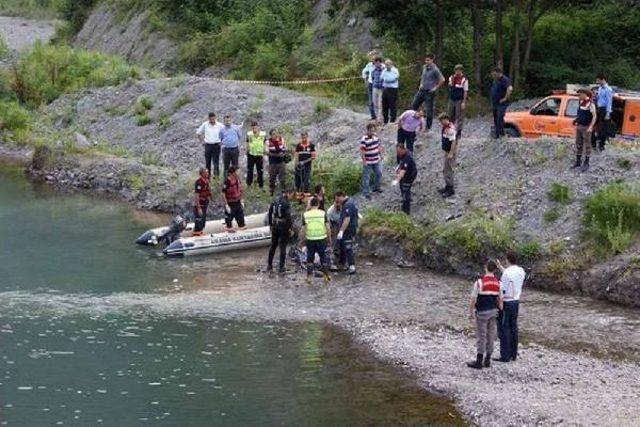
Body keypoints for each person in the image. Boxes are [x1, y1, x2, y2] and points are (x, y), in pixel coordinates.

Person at [467, 260, 503, 369]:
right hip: (493, 312)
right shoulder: (499, 283)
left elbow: (473, 299)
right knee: (491, 335)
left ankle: (479, 360)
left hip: (482, 312)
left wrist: (470, 313)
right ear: (495, 270)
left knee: (481, 336)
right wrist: (501, 311)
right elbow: (500, 302)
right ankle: (487, 360)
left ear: (485, 267)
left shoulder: (479, 282)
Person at [495, 251, 526, 363]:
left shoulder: (506, 273)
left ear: (507, 259)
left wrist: (499, 302)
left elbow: (503, 289)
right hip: (516, 302)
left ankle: (505, 356)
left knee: (504, 328)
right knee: (514, 327)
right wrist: (501, 268)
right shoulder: (521, 271)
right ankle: (513, 354)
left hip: (506, 302)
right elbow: (511, 279)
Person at [411, 54, 445, 131]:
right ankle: (414, 122)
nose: (427, 62)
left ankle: (428, 128)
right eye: (426, 60)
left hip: (429, 92)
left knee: (429, 110)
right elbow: (423, 77)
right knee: (414, 105)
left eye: (428, 60)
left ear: (432, 60)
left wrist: (435, 88)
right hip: (421, 90)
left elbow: (442, 79)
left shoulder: (435, 69)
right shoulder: (424, 67)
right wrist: (421, 84)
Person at [302, 197, 331, 284]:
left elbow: (303, 229)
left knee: (310, 258)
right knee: (323, 257)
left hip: (310, 239)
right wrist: (329, 238)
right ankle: (326, 276)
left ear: (310, 205)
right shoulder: (323, 213)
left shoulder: (305, 215)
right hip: (322, 238)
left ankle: (309, 277)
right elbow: (328, 227)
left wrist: (302, 240)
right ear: (318, 204)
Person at [267, 188, 295, 274]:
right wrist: (290, 228)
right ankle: (281, 267)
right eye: (292, 195)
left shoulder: (275, 199)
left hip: (275, 224)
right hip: (283, 226)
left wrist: (270, 224)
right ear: (288, 193)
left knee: (273, 245)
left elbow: (270, 212)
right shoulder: (286, 203)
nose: (291, 197)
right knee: (283, 246)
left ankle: (269, 265)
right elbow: (288, 217)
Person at [572, 89, 597, 172]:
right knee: (578, 143)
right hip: (579, 126)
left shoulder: (590, 104)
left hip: (586, 127)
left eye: (580, 95)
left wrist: (591, 126)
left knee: (587, 144)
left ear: (584, 94)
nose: (578, 96)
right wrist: (576, 120)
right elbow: (580, 114)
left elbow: (594, 116)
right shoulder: (581, 103)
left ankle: (586, 162)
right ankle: (578, 161)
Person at [334, 191, 358, 274]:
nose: (338, 202)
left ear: (341, 196)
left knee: (348, 247)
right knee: (342, 246)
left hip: (348, 230)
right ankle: (342, 264)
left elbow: (347, 219)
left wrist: (341, 231)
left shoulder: (348, 204)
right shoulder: (348, 202)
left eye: (338, 200)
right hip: (348, 229)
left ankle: (352, 266)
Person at [360, 122, 384, 199]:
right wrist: (364, 161)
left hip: (376, 160)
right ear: (368, 130)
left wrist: (381, 154)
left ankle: (376, 187)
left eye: (373, 130)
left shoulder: (376, 137)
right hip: (368, 161)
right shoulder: (364, 139)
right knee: (366, 177)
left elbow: (378, 146)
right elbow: (362, 151)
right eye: (371, 131)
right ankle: (366, 193)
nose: (372, 132)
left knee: (379, 173)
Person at [196, 112, 223, 178]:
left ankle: (216, 178)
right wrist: (202, 142)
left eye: (213, 119)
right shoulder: (205, 124)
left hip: (217, 146)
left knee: (216, 163)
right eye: (211, 119)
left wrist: (222, 142)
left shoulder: (220, 125)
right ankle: (207, 178)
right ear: (209, 119)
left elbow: (225, 132)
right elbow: (198, 133)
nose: (212, 121)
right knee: (208, 163)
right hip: (208, 145)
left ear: (215, 118)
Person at [438, 113, 458, 198]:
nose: (441, 123)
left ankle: (451, 188)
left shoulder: (451, 129)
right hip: (446, 151)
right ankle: (447, 186)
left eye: (442, 121)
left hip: (450, 152)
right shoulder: (445, 127)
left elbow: (453, 142)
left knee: (449, 170)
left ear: (446, 119)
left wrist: (451, 153)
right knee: (445, 170)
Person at [394, 143, 417, 215]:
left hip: (409, 175)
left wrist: (396, 180)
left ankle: (406, 210)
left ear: (403, 149)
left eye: (399, 152)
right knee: (403, 187)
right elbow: (401, 164)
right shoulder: (404, 153)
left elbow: (402, 172)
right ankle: (407, 198)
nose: (398, 154)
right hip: (408, 173)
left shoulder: (407, 157)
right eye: (397, 152)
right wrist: (398, 168)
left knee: (405, 190)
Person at [221, 166, 246, 232]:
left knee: (241, 220)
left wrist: (242, 200)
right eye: (237, 172)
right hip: (230, 204)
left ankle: (242, 230)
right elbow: (223, 193)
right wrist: (226, 205)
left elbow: (241, 190)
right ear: (232, 173)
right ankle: (229, 230)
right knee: (229, 220)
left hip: (238, 202)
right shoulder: (227, 182)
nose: (238, 173)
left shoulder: (238, 180)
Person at [490, 67, 513, 139]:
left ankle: (502, 134)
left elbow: (510, 88)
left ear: (498, 73)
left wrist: (505, 98)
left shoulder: (504, 79)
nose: (493, 75)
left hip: (502, 103)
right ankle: (497, 134)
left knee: (500, 118)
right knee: (495, 118)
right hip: (495, 103)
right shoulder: (496, 81)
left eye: (494, 74)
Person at [447, 64, 469, 140]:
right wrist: (451, 83)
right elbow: (449, 85)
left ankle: (459, 132)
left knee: (459, 116)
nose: (457, 71)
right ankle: (450, 130)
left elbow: (465, 92)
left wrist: (464, 102)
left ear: (461, 70)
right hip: (451, 98)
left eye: (459, 70)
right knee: (450, 115)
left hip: (459, 99)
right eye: (456, 70)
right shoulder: (451, 77)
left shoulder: (464, 79)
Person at [593, 74, 613, 152]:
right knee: (594, 125)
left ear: (602, 80)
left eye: (598, 80)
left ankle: (602, 145)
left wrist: (608, 113)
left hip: (604, 109)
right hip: (599, 108)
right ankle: (594, 142)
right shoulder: (600, 88)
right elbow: (599, 98)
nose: (597, 82)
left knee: (603, 128)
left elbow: (609, 102)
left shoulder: (608, 89)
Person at [294, 131, 316, 196]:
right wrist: (296, 164)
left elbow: (313, 157)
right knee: (298, 182)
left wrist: (304, 162)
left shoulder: (311, 145)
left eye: (304, 137)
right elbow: (296, 156)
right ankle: (299, 198)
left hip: (307, 167)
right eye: (302, 137)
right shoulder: (298, 145)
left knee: (306, 182)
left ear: (307, 137)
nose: (303, 139)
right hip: (299, 167)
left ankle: (306, 197)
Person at [266, 128, 288, 196]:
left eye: (276, 133)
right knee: (272, 178)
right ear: (271, 135)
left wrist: (283, 152)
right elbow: (267, 152)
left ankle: (284, 192)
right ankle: (271, 191)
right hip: (272, 163)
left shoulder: (281, 139)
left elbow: (285, 148)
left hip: (281, 162)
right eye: (273, 134)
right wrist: (277, 155)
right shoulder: (268, 142)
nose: (275, 135)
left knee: (282, 178)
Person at [246, 121, 266, 188]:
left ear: (258, 127)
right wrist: (247, 151)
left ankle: (260, 185)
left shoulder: (263, 134)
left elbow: (265, 143)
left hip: (259, 155)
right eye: (252, 127)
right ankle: (249, 184)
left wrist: (264, 153)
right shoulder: (249, 134)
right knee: (250, 170)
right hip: (251, 154)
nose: (254, 128)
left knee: (260, 170)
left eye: (255, 126)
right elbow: (247, 142)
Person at [193, 167, 212, 236]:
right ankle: (197, 233)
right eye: (206, 172)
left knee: (203, 221)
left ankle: (200, 232)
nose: (208, 173)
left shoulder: (207, 181)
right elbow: (196, 195)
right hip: (200, 204)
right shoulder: (199, 182)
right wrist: (198, 208)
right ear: (202, 173)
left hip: (205, 203)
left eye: (208, 172)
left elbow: (208, 192)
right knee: (199, 221)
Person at [381, 59, 400, 126]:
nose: (386, 66)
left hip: (392, 89)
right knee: (384, 105)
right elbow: (382, 78)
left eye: (388, 64)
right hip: (385, 89)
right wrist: (386, 79)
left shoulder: (395, 70)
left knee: (392, 105)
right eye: (386, 64)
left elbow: (393, 79)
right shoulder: (384, 70)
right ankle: (385, 121)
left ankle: (392, 121)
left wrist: (386, 79)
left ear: (391, 64)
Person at [361, 50, 378, 120]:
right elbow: (364, 72)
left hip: (379, 85)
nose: (372, 59)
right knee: (371, 101)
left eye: (373, 57)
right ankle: (373, 116)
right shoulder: (369, 65)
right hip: (371, 84)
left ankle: (381, 116)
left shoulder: (381, 65)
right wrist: (365, 80)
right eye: (371, 58)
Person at [370, 56, 385, 123]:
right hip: (375, 88)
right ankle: (376, 117)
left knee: (380, 104)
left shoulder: (384, 70)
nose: (377, 64)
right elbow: (373, 78)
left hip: (381, 89)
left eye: (379, 63)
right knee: (375, 103)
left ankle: (379, 119)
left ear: (380, 63)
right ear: (375, 63)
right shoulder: (373, 71)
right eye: (376, 63)